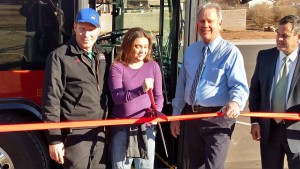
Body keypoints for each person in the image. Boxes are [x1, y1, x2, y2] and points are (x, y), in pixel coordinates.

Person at [170, 3, 249, 169]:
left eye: (209, 21)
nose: (205, 25)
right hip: (191, 118)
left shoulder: (230, 53)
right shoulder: (191, 51)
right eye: (201, 21)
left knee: (213, 166)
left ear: (220, 23)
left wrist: (235, 103)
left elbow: (239, 87)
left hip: (218, 119)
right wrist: (175, 115)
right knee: (194, 165)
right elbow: (182, 85)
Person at [42, 8, 110, 169]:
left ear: (99, 30)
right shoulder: (59, 57)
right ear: (74, 27)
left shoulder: (103, 56)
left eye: (91, 29)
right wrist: (54, 139)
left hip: (100, 131)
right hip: (75, 133)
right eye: (82, 29)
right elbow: (51, 100)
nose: (87, 34)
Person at [108, 27, 164, 169]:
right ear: (128, 46)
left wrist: (156, 114)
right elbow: (117, 97)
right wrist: (141, 90)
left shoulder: (153, 66)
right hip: (122, 127)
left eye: (145, 47)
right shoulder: (117, 67)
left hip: (146, 127)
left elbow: (158, 96)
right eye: (138, 46)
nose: (142, 51)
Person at [249, 15, 300, 169]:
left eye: (285, 36)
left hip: (297, 132)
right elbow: (255, 91)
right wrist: (255, 121)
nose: (279, 39)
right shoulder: (265, 57)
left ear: (298, 36)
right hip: (270, 131)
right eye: (278, 34)